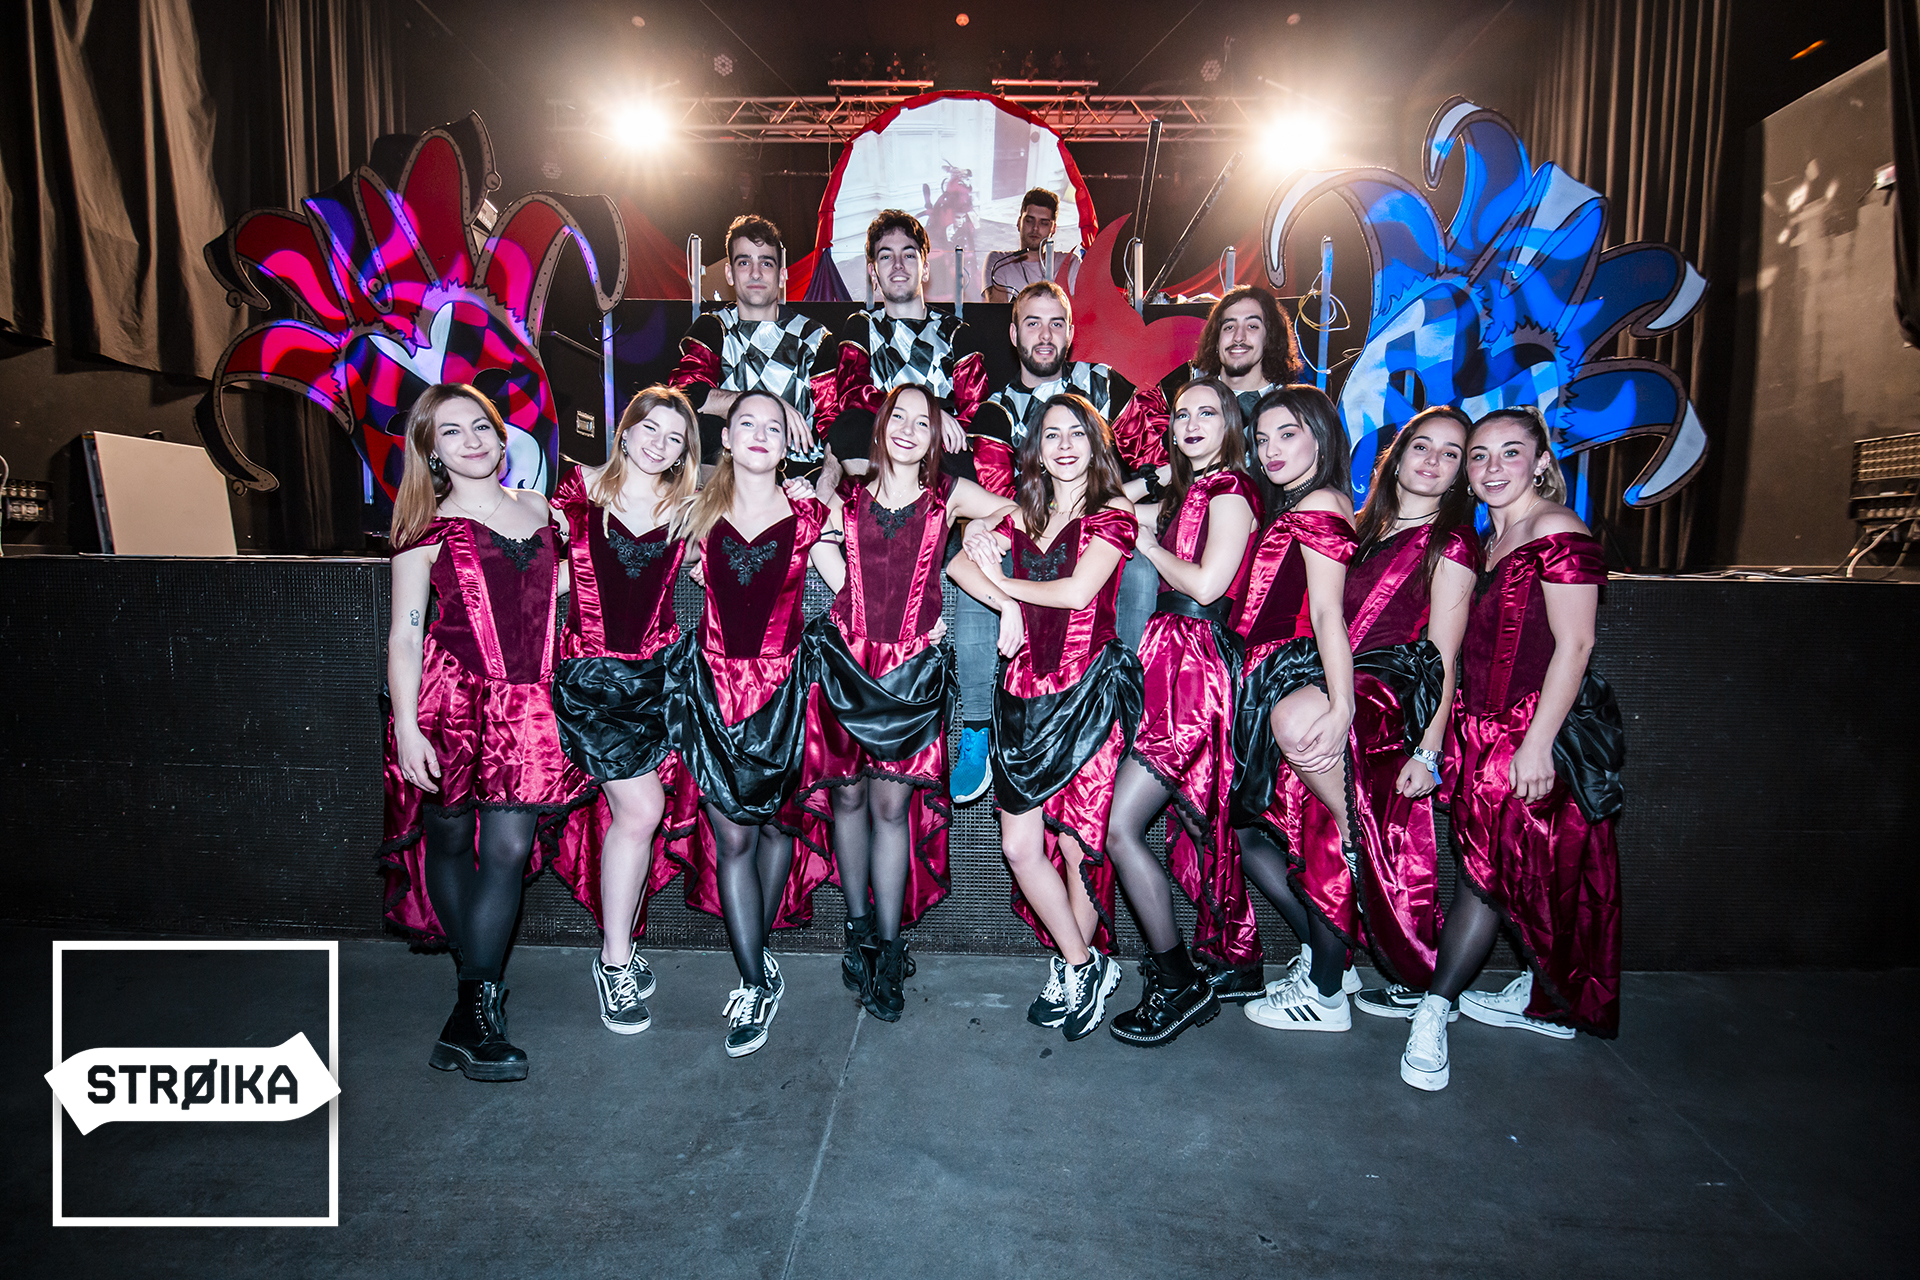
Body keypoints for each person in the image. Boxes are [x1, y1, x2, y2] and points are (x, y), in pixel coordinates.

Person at [1399, 407, 1624, 1092]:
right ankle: (1546, 996)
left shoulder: (1556, 529)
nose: (1492, 468)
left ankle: (1433, 1012)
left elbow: (1576, 645)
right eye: (1480, 455)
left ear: (1541, 462)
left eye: (1510, 453)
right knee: (1515, 872)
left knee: (1485, 876)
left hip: (1526, 731)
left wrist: (1538, 744)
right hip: (1480, 730)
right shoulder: (1487, 539)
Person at [381, 383, 592, 1082]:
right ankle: (473, 996)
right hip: (447, 702)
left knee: (507, 847)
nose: (471, 440)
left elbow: (559, 595)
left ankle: (473, 1012)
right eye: (451, 432)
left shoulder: (543, 511)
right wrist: (406, 727)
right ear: (431, 452)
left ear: (502, 438)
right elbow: (405, 636)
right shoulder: (424, 529)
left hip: (527, 705)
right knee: (447, 840)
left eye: (481, 426)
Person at [797, 383, 1017, 1022]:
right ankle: (859, 932)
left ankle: (890, 950)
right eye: (900, 417)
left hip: (911, 672)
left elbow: (1016, 510)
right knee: (847, 798)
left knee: (891, 807)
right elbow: (813, 539)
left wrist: (981, 534)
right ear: (882, 425)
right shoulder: (846, 496)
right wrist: (851, 598)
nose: (909, 430)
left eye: (924, 422)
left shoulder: (949, 495)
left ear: (935, 438)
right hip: (846, 664)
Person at [948, 394, 1143, 1043]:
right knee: (1019, 847)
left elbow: (1078, 593)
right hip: (1022, 695)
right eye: (1051, 434)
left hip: (1087, 692)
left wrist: (1004, 591)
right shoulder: (1019, 513)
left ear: (1096, 444)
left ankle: (1072, 966)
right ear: (1035, 449)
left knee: (1075, 846)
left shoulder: (1113, 514)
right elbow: (956, 562)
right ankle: (1083, 964)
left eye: (1076, 433)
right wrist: (993, 577)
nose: (1063, 445)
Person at [673, 391, 846, 1058]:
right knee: (734, 839)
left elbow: (853, 582)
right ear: (726, 436)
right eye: (746, 422)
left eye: (773, 426)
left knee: (777, 830)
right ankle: (752, 981)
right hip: (715, 693)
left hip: (785, 695)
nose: (759, 434)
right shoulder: (697, 510)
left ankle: (760, 949)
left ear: (786, 443)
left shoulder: (808, 515)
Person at [949, 279, 1168, 804]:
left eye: (1055, 323)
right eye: (1033, 323)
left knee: (1139, 566)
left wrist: (1123, 498)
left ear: (1071, 332)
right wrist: (986, 537)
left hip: (1100, 528)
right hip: (1034, 528)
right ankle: (977, 727)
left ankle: (1125, 708)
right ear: (1013, 334)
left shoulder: (1105, 385)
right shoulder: (996, 409)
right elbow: (1004, 499)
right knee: (978, 558)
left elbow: (1162, 465)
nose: (1044, 335)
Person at [1101, 377, 1261, 1044]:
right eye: (1182, 414)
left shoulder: (1231, 491)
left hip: (1194, 663)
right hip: (1170, 657)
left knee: (1120, 828)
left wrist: (1145, 541)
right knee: (1189, 824)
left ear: (1231, 424)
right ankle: (1232, 962)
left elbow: (1206, 584)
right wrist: (1153, 491)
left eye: (1208, 413)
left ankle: (1179, 983)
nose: (1191, 422)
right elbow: (1108, 500)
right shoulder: (1194, 488)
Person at [549, 386, 703, 1035]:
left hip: (654, 683)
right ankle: (614, 962)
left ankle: (620, 949)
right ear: (627, 429)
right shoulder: (578, 490)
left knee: (638, 817)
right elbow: (550, 567)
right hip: (590, 681)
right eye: (651, 429)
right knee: (642, 811)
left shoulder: (689, 509)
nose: (659, 444)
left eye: (675, 438)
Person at [1326, 408, 1480, 1020]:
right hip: (1339, 699)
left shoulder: (1452, 543)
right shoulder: (1364, 527)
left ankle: (1417, 977)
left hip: (1390, 715)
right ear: (1397, 456)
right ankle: (1338, 965)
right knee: (1324, 842)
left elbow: (1444, 656)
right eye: (1423, 446)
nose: (1433, 460)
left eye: (1451, 453)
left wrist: (1429, 750)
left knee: (1388, 854)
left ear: (1460, 474)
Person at [1226, 385, 1365, 1033]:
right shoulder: (1297, 503)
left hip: (1293, 673)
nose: (1271, 449)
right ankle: (1325, 957)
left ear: (1320, 435)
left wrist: (1341, 705)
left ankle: (1327, 992)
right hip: (1264, 677)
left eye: (1288, 434)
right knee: (1253, 833)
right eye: (1262, 439)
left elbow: (1329, 614)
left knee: (1325, 835)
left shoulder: (1320, 505)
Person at [820, 211, 986, 485]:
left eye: (908, 255)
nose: (898, 265)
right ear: (873, 272)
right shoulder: (862, 326)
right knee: (849, 427)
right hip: (879, 445)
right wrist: (924, 413)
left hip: (936, 450)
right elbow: (852, 395)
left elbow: (973, 410)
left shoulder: (956, 332)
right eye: (886, 257)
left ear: (925, 269)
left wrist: (927, 425)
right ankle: (878, 504)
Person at [668, 215, 833, 471]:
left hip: (799, 474)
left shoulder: (814, 338)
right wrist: (769, 403)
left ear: (782, 276)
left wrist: (825, 484)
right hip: (727, 472)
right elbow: (684, 395)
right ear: (729, 273)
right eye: (744, 262)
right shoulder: (715, 328)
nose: (756, 273)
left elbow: (832, 420)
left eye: (766, 263)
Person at [1163, 287, 1304, 426]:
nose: (1238, 337)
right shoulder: (1177, 394)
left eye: (1252, 326)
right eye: (1229, 327)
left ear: (1270, 338)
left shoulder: (1294, 409)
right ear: (1216, 339)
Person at [984, 187, 1081, 301]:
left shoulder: (1070, 263)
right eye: (1029, 221)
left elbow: (1077, 309)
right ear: (1019, 223)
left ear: (1053, 229)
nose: (1035, 228)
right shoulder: (999, 262)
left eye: (1043, 223)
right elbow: (998, 309)